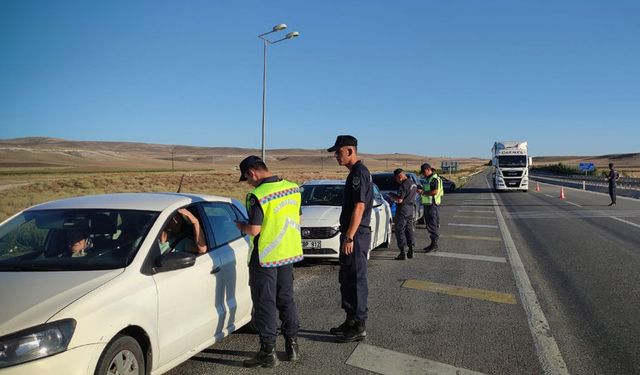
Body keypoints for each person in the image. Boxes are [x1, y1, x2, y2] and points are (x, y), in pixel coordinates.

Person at [235, 155, 303, 368]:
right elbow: (297, 217)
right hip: (288, 253)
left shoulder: (257, 195)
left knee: (265, 303)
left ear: (251, 173)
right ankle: (292, 346)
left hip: (265, 257)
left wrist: (240, 226)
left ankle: (267, 351)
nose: (248, 183)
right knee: (286, 299)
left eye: (247, 179)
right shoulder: (293, 188)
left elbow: (254, 230)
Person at [327, 135, 373, 343]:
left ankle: (359, 325)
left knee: (355, 280)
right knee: (346, 278)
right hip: (352, 234)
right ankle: (350, 319)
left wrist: (349, 237)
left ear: (350, 151)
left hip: (356, 235)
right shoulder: (354, 173)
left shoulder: (359, 174)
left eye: (338, 152)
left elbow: (360, 207)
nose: (336, 156)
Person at [388, 168, 417, 260]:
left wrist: (392, 196)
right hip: (410, 209)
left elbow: (400, 199)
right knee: (409, 230)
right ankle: (411, 251)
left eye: (396, 179)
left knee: (400, 230)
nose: (396, 181)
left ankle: (402, 252)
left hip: (402, 210)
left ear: (399, 176)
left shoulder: (403, 185)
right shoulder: (413, 183)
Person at [418, 163, 443, 252]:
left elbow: (435, 192)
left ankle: (434, 244)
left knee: (432, 224)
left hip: (432, 204)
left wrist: (423, 192)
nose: (423, 174)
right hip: (429, 204)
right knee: (429, 225)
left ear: (428, 170)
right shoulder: (429, 179)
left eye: (424, 172)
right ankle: (432, 244)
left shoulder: (434, 179)